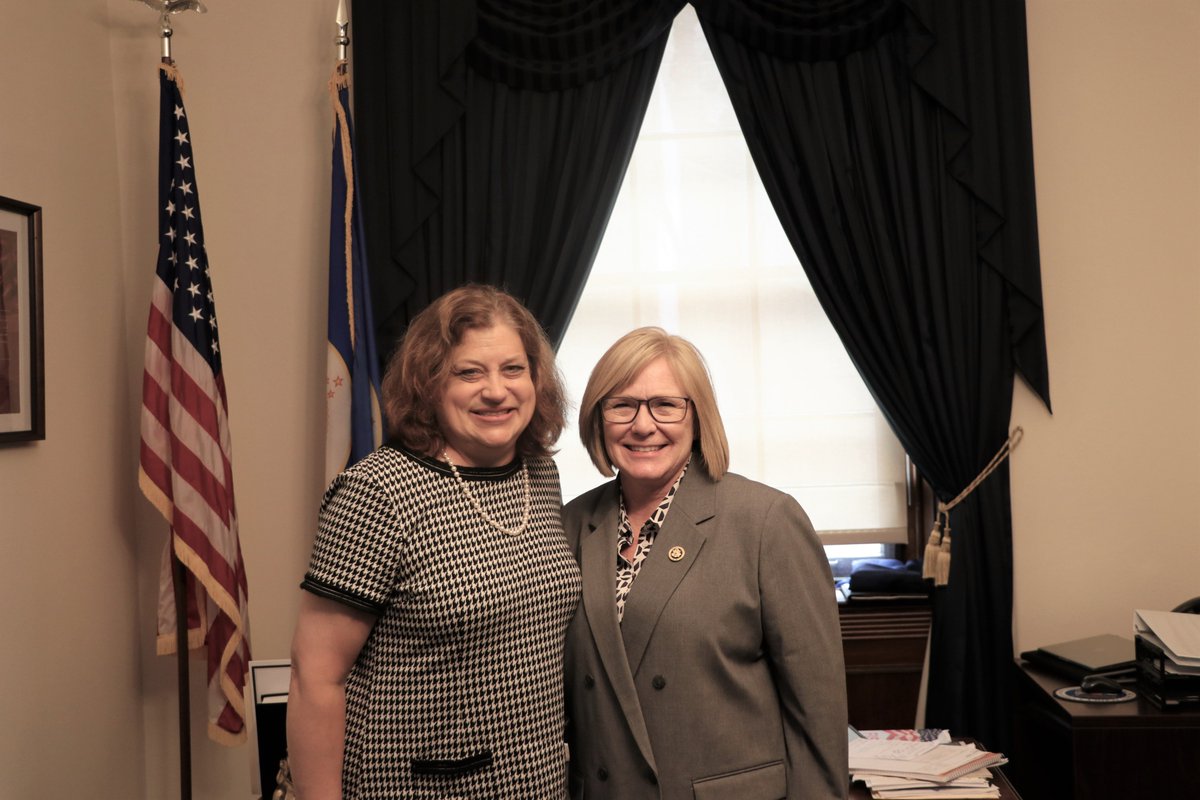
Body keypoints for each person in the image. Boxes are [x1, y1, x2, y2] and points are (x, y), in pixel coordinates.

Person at [287, 285, 582, 800]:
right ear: (428, 384)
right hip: (419, 785)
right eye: (469, 372)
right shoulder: (378, 491)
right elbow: (316, 677)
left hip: (538, 782)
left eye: (513, 369)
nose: (496, 390)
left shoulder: (540, 474)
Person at [563, 327, 849, 800]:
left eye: (666, 404)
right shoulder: (571, 523)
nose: (643, 424)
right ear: (598, 418)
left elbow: (816, 710)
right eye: (622, 405)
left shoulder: (765, 521)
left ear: (698, 416)